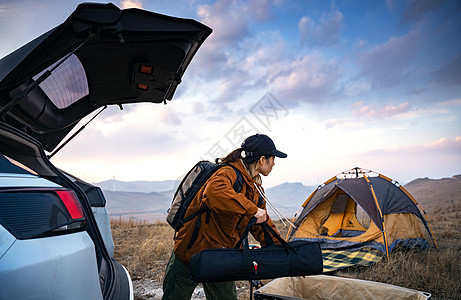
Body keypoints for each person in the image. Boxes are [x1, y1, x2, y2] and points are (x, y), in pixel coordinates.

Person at [162, 133, 287, 300]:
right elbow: (214, 192)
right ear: (262, 159)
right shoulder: (228, 173)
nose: (274, 163)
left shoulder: (255, 189)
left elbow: (262, 225)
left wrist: (284, 253)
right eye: (273, 158)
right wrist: (252, 210)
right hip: (190, 253)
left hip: (220, 258)